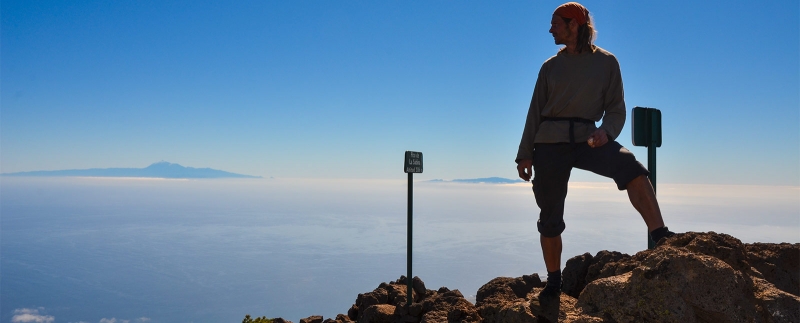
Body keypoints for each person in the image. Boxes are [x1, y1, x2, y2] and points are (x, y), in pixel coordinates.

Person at [515, 2, 674, 299]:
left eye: (556, 24)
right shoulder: (549, 67)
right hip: (549, 143)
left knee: (632, 169)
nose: (551, 29)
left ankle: (661, 235)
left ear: (574, 25)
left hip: (590, 139)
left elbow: (616, 109)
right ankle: (554, 281)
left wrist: (607, 132)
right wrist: (525, 154)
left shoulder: (607, 63)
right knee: (550, 216)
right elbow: (534, 113)